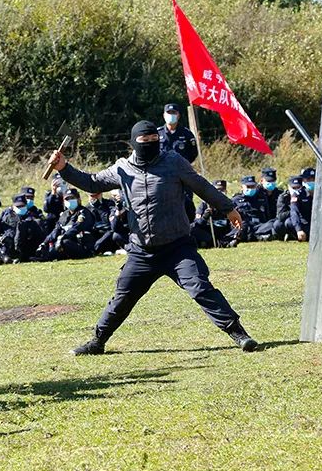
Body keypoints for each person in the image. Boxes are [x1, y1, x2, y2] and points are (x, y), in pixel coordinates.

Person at [48, 120, 258, 354]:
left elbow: (201, 186)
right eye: (143, 141)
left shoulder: (174, 162)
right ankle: (97, 342)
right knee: (122, 297)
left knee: (200, 287)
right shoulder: (122, 169)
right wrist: (64, 167)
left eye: (153, 140)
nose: (149, 144)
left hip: (178, 248)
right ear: (133, 143)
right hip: (142, 252)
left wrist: (228, 207)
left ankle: (239, 334)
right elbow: (92, 182)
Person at [158, 102, 199, 222]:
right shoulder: (157, 134)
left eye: (174, 113)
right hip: (163, 176)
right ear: (164, 115)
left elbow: (193, 154)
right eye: (169, 113)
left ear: (179, 115)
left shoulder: (186, 134)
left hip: (183, 176)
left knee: (186, 204)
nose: (171, 115)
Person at [35, 188, 95, 261]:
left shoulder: (84, 213)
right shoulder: (64, 215)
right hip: (65, 243)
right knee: (50, 248)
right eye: (67, 199)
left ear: (78, 199)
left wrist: (62, 237)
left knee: (64, 242)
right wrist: (44, 243)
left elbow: (76, 228)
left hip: (82, 246)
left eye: (72, 198)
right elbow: (56, 229)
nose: (70, 201)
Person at [1, 193, 45, 261]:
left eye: (22, 206)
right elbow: (8, 233)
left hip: (28, 245)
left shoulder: (32, 216)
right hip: (14, 246)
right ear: (13, 207)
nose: (21, 208)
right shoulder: (8, 218)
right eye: (18, 206)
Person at [191, 179, 235, 248]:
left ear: (226, 191)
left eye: (222, 190)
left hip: (223, 231)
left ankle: (223, 242)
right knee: (192, 229)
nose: (219, 192)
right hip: (209, 232)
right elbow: (197, 224)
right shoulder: (204, 205)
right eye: (216, 190)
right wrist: (204, 217)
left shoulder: (230, 204)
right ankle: (217, 243)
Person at [230, 175, 267, 242]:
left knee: (272, 223)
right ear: (242, 187)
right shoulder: (236, 200)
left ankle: (258, 235)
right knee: (241, 228)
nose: (251, 189)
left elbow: (267, 215)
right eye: (248, 187)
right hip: (244, 226)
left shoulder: (261, 198)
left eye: (253, 187)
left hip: (259, 226)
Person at [284, 175, 313, 242]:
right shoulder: (293, 196)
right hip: (300, 223)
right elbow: (294, 212)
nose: (296, 189)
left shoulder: (308, 194)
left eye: (298, 187)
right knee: (288, 222)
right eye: (294, 187)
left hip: (310, 222)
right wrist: (299, 230)